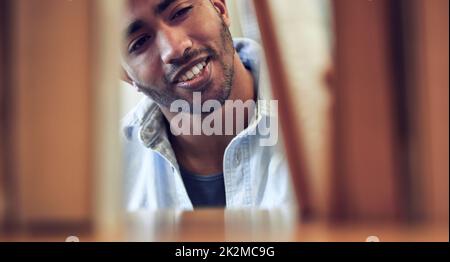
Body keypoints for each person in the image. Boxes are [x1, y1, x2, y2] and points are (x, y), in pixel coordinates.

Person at [121, 0, 295, 210]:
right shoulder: (108, 179)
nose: (174, 48)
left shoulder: (323, 124)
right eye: (139, 43)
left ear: (219, 7)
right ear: (125, 75)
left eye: (181, 12)